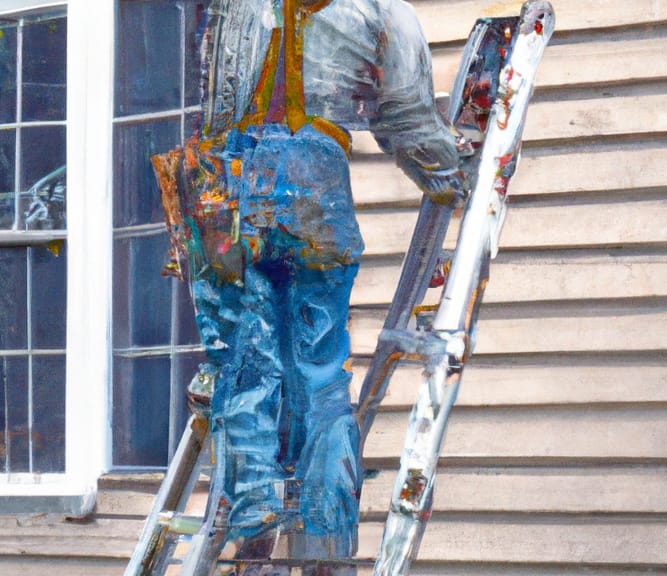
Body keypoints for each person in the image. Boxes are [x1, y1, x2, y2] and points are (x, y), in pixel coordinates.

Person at [161, 0, 468, 565]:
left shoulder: (232, 8)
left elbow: (215, 105)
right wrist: (452, 173)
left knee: (243, 367)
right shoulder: (379, 10)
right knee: (320, 371)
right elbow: (408, 121)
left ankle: (250, 522)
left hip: (219, 187)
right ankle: (325, 534)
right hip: (308, 182)